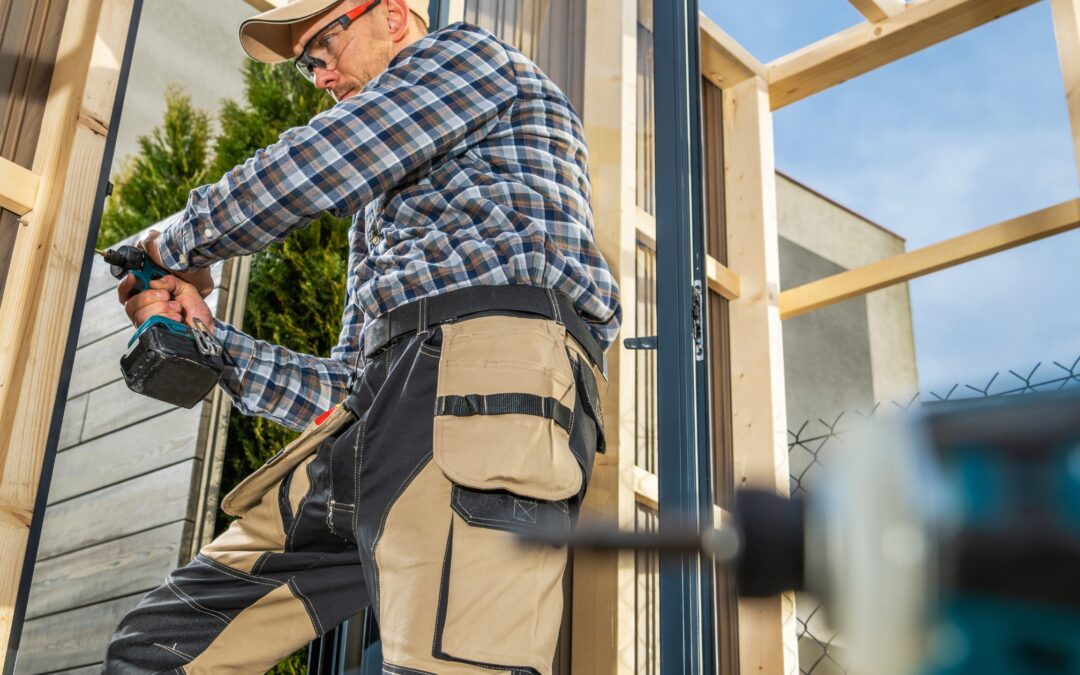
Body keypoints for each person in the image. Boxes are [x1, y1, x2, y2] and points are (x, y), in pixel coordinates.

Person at [105, 0, 620, 672]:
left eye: (322, 51)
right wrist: (211, 342)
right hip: (380, 413)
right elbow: (343, 386)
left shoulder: (467, 59)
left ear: (395, 17)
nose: (318, 77)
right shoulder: (382, 212)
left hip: (488, 384)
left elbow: (318, 162)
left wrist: (164, 245)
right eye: (305, 68)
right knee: (157, 648)